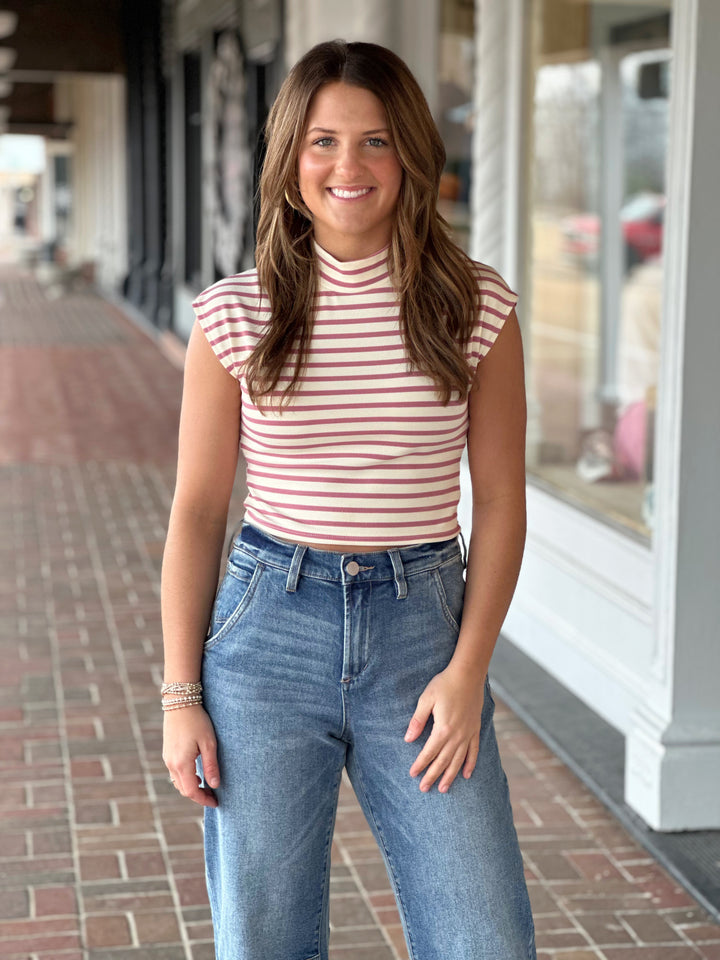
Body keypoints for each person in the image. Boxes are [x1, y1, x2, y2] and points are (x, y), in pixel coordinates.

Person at [161, 39, 536, 960]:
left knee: (484, 938)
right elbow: (199, 513)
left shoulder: (476, 308)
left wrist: (468, 669)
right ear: (291, 161)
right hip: (268, 636)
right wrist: (180, 695)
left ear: (410, 154)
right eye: (323, 141)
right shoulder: (234, 316)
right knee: (267, 939)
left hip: (423, 636)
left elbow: (501, 501)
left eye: (375, 142)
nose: (349, 167)